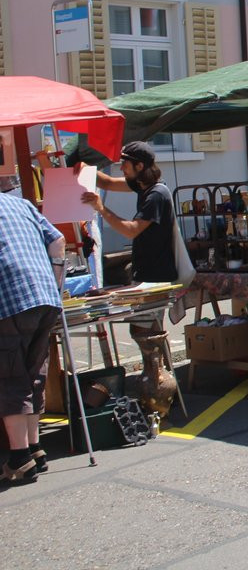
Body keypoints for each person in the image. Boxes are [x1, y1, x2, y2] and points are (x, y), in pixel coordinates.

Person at [0, 191, 65, 484]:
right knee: (32, 374)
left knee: (10, 377)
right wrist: (56, 282)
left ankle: (19, 459)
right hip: (45, 295)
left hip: (10, 299)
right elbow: (58, 241)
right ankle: (35, 449)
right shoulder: (19, 203)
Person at [81, 141, 176, 282]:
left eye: (125, 163)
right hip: (146, 274)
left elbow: (131, 231)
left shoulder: (156, 194)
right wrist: (84, 167)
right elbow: (108, 183)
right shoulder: (142, 184)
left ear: (139, 166)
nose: (121, 168)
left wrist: (101, 208)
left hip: (156, 278)